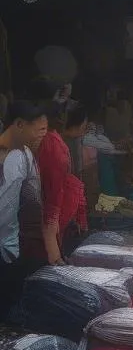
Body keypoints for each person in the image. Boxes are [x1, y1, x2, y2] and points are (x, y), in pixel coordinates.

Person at [23, 98, 87, 264]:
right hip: (37, 233)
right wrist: (54, 253)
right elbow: (51, 200)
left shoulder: (52, 142)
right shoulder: (54, 148)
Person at [0, 101, 48, 311]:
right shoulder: (13, 156)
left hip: (13, 248)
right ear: (19, 124)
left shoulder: (24, 154)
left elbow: (32, 199)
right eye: (37, 129)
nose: (40, 135)